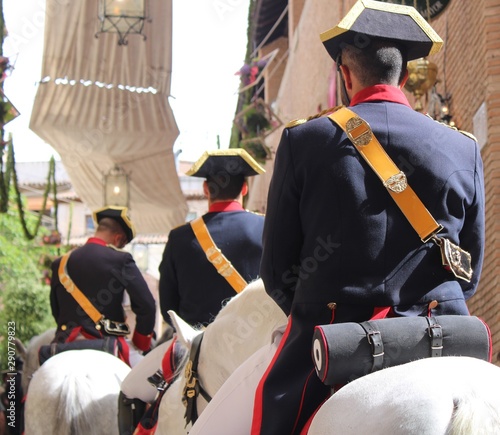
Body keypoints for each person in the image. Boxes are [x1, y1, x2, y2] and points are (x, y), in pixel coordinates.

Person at [251, 1, 485, 434]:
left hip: (334, 334)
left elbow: (277, 271)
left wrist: (317, 306)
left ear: (345, 74)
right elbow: (468, 271)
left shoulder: (305, 141)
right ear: (405, 72)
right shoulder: (462, 147)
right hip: (446, 333)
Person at [158, 148, 266, 328]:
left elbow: (168, 309)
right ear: (245, 189)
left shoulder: (179, 238)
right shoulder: (265, 228)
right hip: (257, 345)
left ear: (206, 189)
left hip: (198, 349)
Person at [50, 206, 156, 364]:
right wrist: (140, 344)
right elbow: (147, 306)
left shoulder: (60, 263)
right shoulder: (121, 260)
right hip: (108, 343)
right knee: (151, 383)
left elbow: (56, 309)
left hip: (64, 343)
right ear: (118, 239)